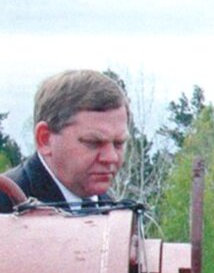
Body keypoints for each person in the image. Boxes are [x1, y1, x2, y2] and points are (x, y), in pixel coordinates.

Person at [0, 69, 129, 213]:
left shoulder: (116, 212)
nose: (111, 157)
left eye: (119, 143)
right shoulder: (5, 207)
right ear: (45, 139)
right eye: (93, 143)